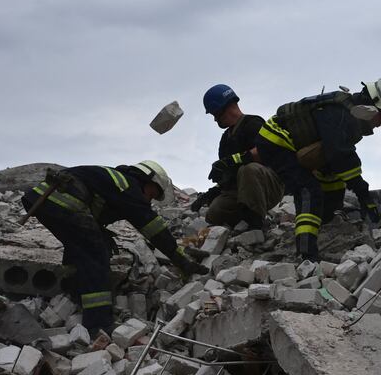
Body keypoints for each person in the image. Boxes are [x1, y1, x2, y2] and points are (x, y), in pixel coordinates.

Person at [21, 161, 207, 335]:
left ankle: (75, 289)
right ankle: (98, 324)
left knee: (81, 244)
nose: (149, 200)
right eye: (151, 194)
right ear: (147, 179)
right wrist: (181, 260)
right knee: (95, 253)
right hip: (63, 202)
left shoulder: (115, 181)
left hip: (41, 199)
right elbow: (153, 229)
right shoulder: (129, 187)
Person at [255, 75, 381, 261]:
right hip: (276, 141)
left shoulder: (350, 115)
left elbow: (339, 158)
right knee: (309, 190)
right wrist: (363, 194)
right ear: (371, 105)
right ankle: (306, 254)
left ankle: (324, 222)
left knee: (334, 183)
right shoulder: (339, 113)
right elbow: (341, 155)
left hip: (297, 146)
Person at [192, 84, 283, 229]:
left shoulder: (253, 123)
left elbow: (263, 153)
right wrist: (213, 192)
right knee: (214, 213)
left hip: (268, 185)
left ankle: (257, 222)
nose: (215, 120)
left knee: (248, 169)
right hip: (242, 190)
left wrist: (230, 161)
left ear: (223, 108)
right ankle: (243, 219)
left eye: (215, 114)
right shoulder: (226, 139)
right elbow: (230, 176)